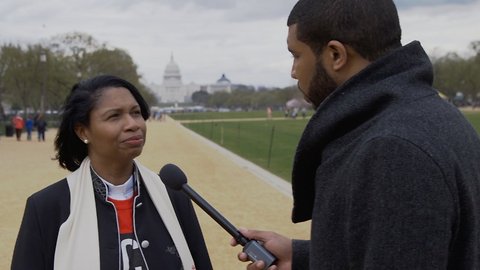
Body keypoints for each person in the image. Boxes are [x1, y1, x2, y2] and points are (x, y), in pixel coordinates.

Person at [231, 0, 480, 269]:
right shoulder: (433, 116)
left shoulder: (393, 149)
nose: (293, 72)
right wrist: (302, 257)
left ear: (336, 55)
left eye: (297, 55)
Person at [11, 75, 212, 270]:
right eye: (114, 116)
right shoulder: (47, 208)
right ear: (83, 131)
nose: (133, 124)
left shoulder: (174, 194)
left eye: (135, 113)